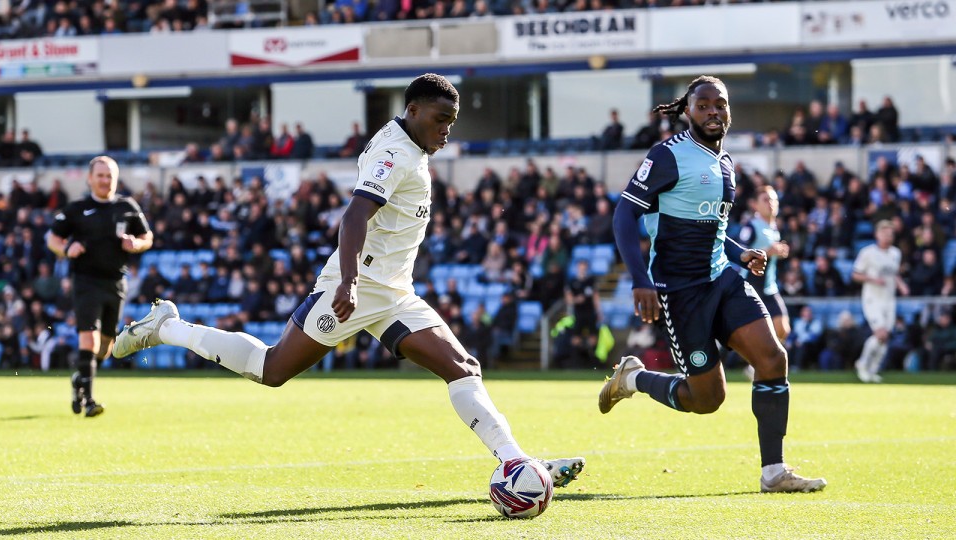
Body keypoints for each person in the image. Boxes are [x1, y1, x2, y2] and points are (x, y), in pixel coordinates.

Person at [112, 74, 584, 487]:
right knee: (272, 370)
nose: (446, 130)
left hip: (396, 293)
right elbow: (355, 215)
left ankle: (518, 465)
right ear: (413, 110)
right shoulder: (394, 154)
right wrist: (349, 282)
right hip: (356, 290)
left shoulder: (411, 144)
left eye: (452, 122)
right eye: (441, 119)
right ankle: (167, 327)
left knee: (463, 368)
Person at [598, 76, 826, 493]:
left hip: (722, 278)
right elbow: (623, 215)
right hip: (680, 292)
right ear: (688, 111)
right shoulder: (667, 155)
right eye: (702, 105)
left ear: (728, 110)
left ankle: (774, 472)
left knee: (773, 359)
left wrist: (741, 255)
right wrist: (639, 279)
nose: (712, 112)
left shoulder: (726, 164)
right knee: (706, 400)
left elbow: (715, 228)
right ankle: (633, 378)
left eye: (719, 104)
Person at [46, 156, 154, 417]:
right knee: (89, 337)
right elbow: (53, 238)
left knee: (106, 347)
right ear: (90, 178)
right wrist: (66, 249)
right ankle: (90, 400)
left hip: (115, 282)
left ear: (116, 179)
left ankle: (79, 380)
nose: (105, 180)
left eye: (110, 176)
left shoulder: (127, 206)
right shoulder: (77, 209)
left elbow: (147, 237)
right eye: (101, 175)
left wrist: (136, 244)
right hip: (85, 281)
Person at [736, 185, 791, 381]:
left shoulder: (773, 228)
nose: (771, 204)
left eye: (773, 199)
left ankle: (757, 363)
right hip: (751, 284)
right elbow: (741, 252)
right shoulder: (751, 226)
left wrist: (777, 251)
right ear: (755, 205)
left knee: (783, 328)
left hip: (769, 286)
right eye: (766, 200)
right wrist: (769, 251)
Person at [851, 220, 909, 383]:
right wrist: (873, 279)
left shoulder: (895, 253)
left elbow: (894, 273)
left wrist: (901, 285)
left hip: (889, 300)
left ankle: (872, 370)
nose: (887, 236)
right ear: (877, 234)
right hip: (872, 299)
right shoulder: (867, 253)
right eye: (884, 233)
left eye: (890, 233)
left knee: (886, 337)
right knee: (880, 333)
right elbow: (855, 275)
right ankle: (862, 364)